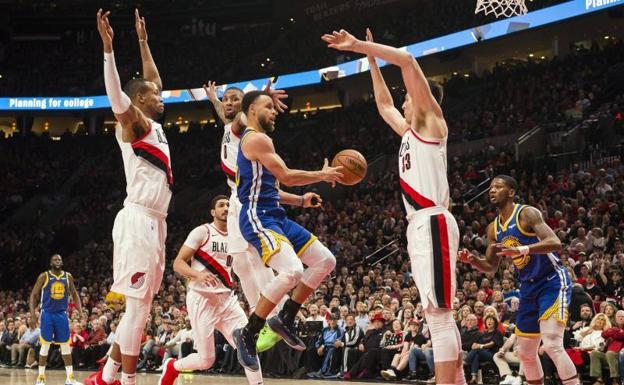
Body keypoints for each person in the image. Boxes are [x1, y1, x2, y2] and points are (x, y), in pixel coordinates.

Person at [322, 28, 463, 385]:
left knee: (440, 313)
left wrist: (358, 45)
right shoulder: (409, 133)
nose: (403, 103)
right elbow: (384, 105)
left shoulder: (432, 122)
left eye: (408, 98)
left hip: (432, 219)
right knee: (435, 311)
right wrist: (369, 61)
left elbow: (408, 60)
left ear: (424, 98)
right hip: (418, 224)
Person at [87, 9, 171, 385]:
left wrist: (142, 42)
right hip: (137, 219)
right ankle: (127, 381)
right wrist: (109, 51)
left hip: (157, 223)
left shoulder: (153, 122)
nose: (161, 94)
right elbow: (117, 96)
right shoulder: (134, 124)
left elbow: (151, 77)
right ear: (140, 99)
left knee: (143, 307)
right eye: (155, 94)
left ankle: (107, 374)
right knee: (137, 307)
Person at [232, 90, 342, 371]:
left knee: (326, 260)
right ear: (252, 110)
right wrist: (322, 175)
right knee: (292, 270)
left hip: (275, 215)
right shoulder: (255, 138)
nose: (274, 112)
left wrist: (301, 200)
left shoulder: (260, 143)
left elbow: (272, 189)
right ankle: (250, 332)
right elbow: (287, 176)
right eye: (268, 107)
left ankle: (287, 317)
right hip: (258, 218)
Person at [460, 175, 580, 385]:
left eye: (498, 187)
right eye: (490, 187)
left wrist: (521, 248)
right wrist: (473, 261)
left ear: (512, 192)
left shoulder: (526, 213)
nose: (492, 190)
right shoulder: (493, 228)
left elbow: (555, 242)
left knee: (552, 344)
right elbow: (491, 266)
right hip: (528, 287)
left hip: (552, 280)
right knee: (525, 352)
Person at [203, 81, 289, 353]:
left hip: (245, 197)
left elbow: (240, 115)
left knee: (254, 257)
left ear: (246, 107)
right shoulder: (230, 124)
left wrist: (261, 97)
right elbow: (225, 113)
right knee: (240, 264)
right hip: (235, 197)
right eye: (226, 99)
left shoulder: (242, 126)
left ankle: (276, 314)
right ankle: (261, 316)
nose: (228, 103)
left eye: (234, 99)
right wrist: (214, 99)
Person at [158, 196, 263, 385]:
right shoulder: (202, 232)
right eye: (221, 205)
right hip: (202, 299)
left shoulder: (238, 237)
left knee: (247, 346)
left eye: (228, 205)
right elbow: (178, 263)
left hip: (227, 300)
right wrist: (197, 275)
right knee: (206, 361)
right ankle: (172, 366)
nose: (226, 208)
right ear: (213, 212)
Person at [29, 254, 82, 385]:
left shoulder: (67, 276)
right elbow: (33, 295)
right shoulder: (44, 276)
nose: (58, 261)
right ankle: (41, 377)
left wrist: (80, 310)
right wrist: (32, 315)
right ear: (50, 263)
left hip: (61, 315)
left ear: (62, 262)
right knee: (45, 345)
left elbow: (74, 294)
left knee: (65, 346)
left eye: (60, 259)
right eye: (55, 259)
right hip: (47, 314)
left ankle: (70, 378)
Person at [465, 315, 504, 384]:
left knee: (477, 350)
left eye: (491, 320)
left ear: (495, 322)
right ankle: (474, 378)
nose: (489, 321)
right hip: (483, 353)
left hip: (493, 354)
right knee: (476, 354)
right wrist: (475, 345)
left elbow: (492, 344)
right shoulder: (484, 333)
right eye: (487, 320)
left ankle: (465, 362)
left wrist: (480, 346)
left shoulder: (497, 332)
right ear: (485, 323)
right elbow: (478, 343)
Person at [589, 310, 624, 385]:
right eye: (619, 316)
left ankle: (615, 380)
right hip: (608, 356)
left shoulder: (614, 330)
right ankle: (599, 380)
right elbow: (604, 334)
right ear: (615, 318)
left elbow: (621, 335)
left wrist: (615, 332)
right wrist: (616, 331)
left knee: (610, 353)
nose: (620, 318)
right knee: (595, 353)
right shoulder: (614, 328)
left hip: (620, 357)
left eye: (623, 317)